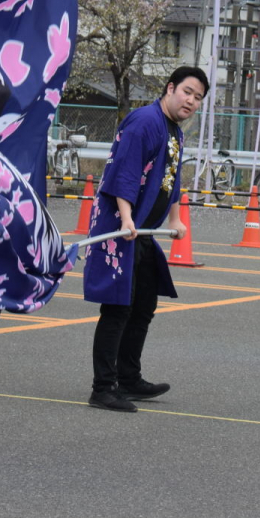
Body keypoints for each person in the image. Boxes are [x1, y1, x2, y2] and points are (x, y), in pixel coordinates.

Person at [81, 66, 209, 412]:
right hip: (121, 228)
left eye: (198, 98)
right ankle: (103, 388)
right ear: (170, 88)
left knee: (144, 305)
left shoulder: (174, 131)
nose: (191, 101)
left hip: (143, 233)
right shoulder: (143, 121)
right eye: (187, 92)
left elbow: (172, 179)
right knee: (118, 308)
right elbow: (123, 171)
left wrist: (175, 218)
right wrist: (125, 217)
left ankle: (129, 378)